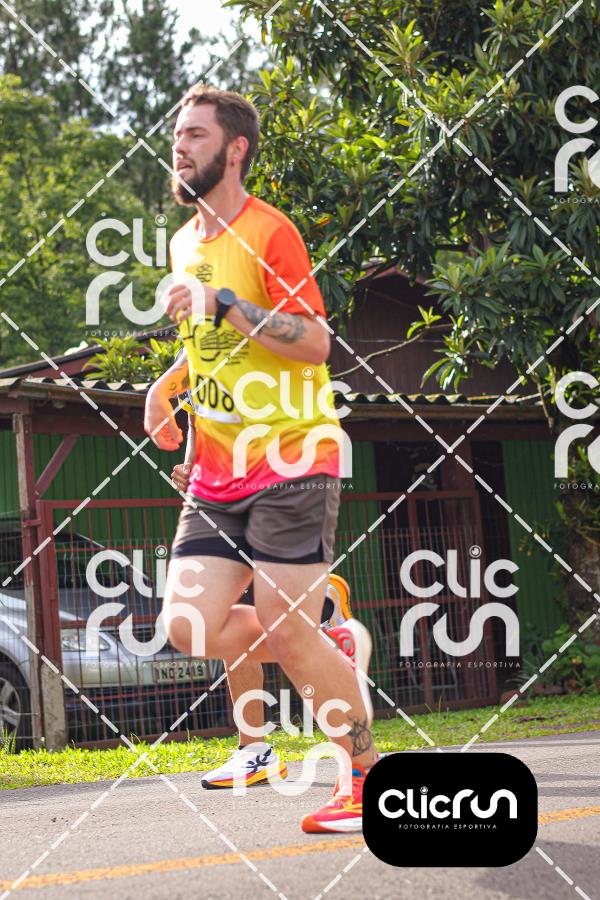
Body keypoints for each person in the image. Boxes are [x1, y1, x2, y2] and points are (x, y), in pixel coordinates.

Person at [144, 84, 376, 834]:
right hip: (218, 472)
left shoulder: (270, 233)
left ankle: (363, 777)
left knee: (284, 626)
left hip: (291, 459)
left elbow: (315, 342)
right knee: (188, 626)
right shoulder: (184, 243)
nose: (179, 147)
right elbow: (209, 349)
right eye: (177, 136)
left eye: (195, 135)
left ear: (235, 149)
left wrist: (227, 305)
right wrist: (169, 390)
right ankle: (326, 641)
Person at [161, 351, 354, 789]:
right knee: (221, 625)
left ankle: (350, 752)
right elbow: (197, 430)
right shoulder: (193, 358)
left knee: (276, 630)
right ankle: (255, 751)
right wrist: (190, 470)